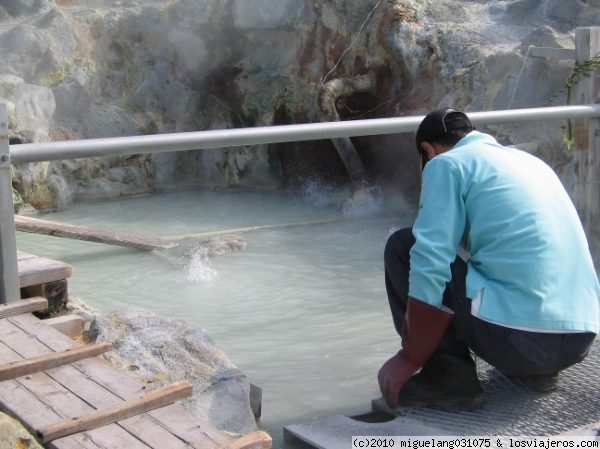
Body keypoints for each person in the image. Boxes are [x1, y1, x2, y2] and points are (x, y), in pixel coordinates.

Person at [378, 108, 600, 410]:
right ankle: (538, 373)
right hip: (578, 339)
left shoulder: (445, 164)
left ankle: (449, 379)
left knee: (403, 245)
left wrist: (410, 355)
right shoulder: (529, 162)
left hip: (524, 344)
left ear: (428, 150)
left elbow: (431, 257)